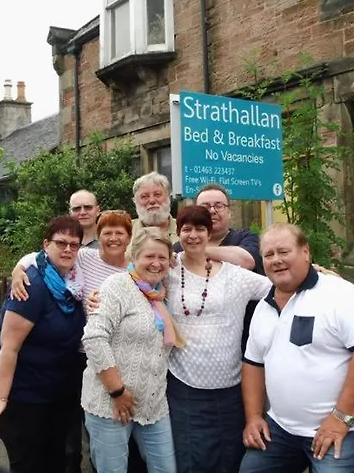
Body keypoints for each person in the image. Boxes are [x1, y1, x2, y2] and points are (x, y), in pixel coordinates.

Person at [240, 223, 354, 473]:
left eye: (284, 251)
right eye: (269, 254)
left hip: (350, 426)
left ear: (306, 252)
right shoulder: (263, 308)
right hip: (282, 429)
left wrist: (340, 418)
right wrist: (254, 417)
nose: (276, 260)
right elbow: (253, 365)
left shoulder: (339, 294)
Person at [10, 210, 135, 473]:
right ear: (98, 237)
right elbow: (40, 256)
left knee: (116, 424)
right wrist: (18, 270)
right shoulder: (86, 257)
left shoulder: (135, 269)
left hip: (120, 358)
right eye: (107, 233)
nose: (113, 238)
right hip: (81, 356)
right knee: (74, 429)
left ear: (129, 238)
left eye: (119, 233)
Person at [166, 206, 273, 473]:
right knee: (192, 460)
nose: (193, 235)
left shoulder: (234, 275)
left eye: (200, 229)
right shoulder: (167, 269)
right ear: (178, 233)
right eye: (186, 229)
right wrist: (99, 296)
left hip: (230, 386)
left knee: (230, 457)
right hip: (184, 385)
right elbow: (134, 278)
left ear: (209, 233)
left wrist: (315, 273)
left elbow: (279, 286)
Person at [0, 216, 86, 473]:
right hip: (26, 398)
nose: (68, 249)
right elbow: (9, 347)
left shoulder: (72, 284)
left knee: (55, 463)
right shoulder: (32, 285)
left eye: (74, 244)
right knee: (30, 465)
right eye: (61, 243)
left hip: (56, 395)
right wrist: (0, 399)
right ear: (46, 245)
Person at [82, 227, 181, 473]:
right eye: (149, 256)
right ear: (134, 256)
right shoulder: (117, 286)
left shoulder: (163, 291)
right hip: (109, 404)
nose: (156, 263)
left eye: (162, 257)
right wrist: (117, 391)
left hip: (153, 405)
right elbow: (94, 337)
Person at [174, 183, 264, 353]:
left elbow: (246, 260)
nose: (212, 210)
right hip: (188, 349)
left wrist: (196, 250)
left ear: (229, 212)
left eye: (219, 205)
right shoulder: (178, 248)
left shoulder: (245, 237)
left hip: (243, 343)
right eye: (205, 206)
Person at [130, 172, 179, 253]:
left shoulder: (185, 231)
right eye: (144, 196)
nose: (152, 201)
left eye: (157, 194)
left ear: (168, 197)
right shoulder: (125, 231)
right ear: (135, 201)